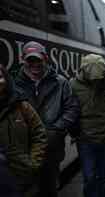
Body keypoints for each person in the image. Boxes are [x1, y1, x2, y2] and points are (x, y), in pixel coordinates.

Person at [15, 41, 80, 197]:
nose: (34, 64)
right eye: (30, 60)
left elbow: (72, 108)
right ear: (23, 60)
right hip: (25, 148)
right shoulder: (15, 83)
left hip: (51, 148)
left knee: (49, 188)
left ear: (45, 58)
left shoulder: (60, 82)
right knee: (27, 190)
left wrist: (56, 129)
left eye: (38, 60)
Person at [70, 54, 105, 197]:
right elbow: (70, 110)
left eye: (98, 80)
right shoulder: (73, 85)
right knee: (89, 177)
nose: (96, 84)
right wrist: (74, 132)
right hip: (85, 140)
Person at [0, 63, 47, 197]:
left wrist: (32, 163)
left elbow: (39, 133)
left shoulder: (21, 106)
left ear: (6, 79)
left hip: (20, 178)